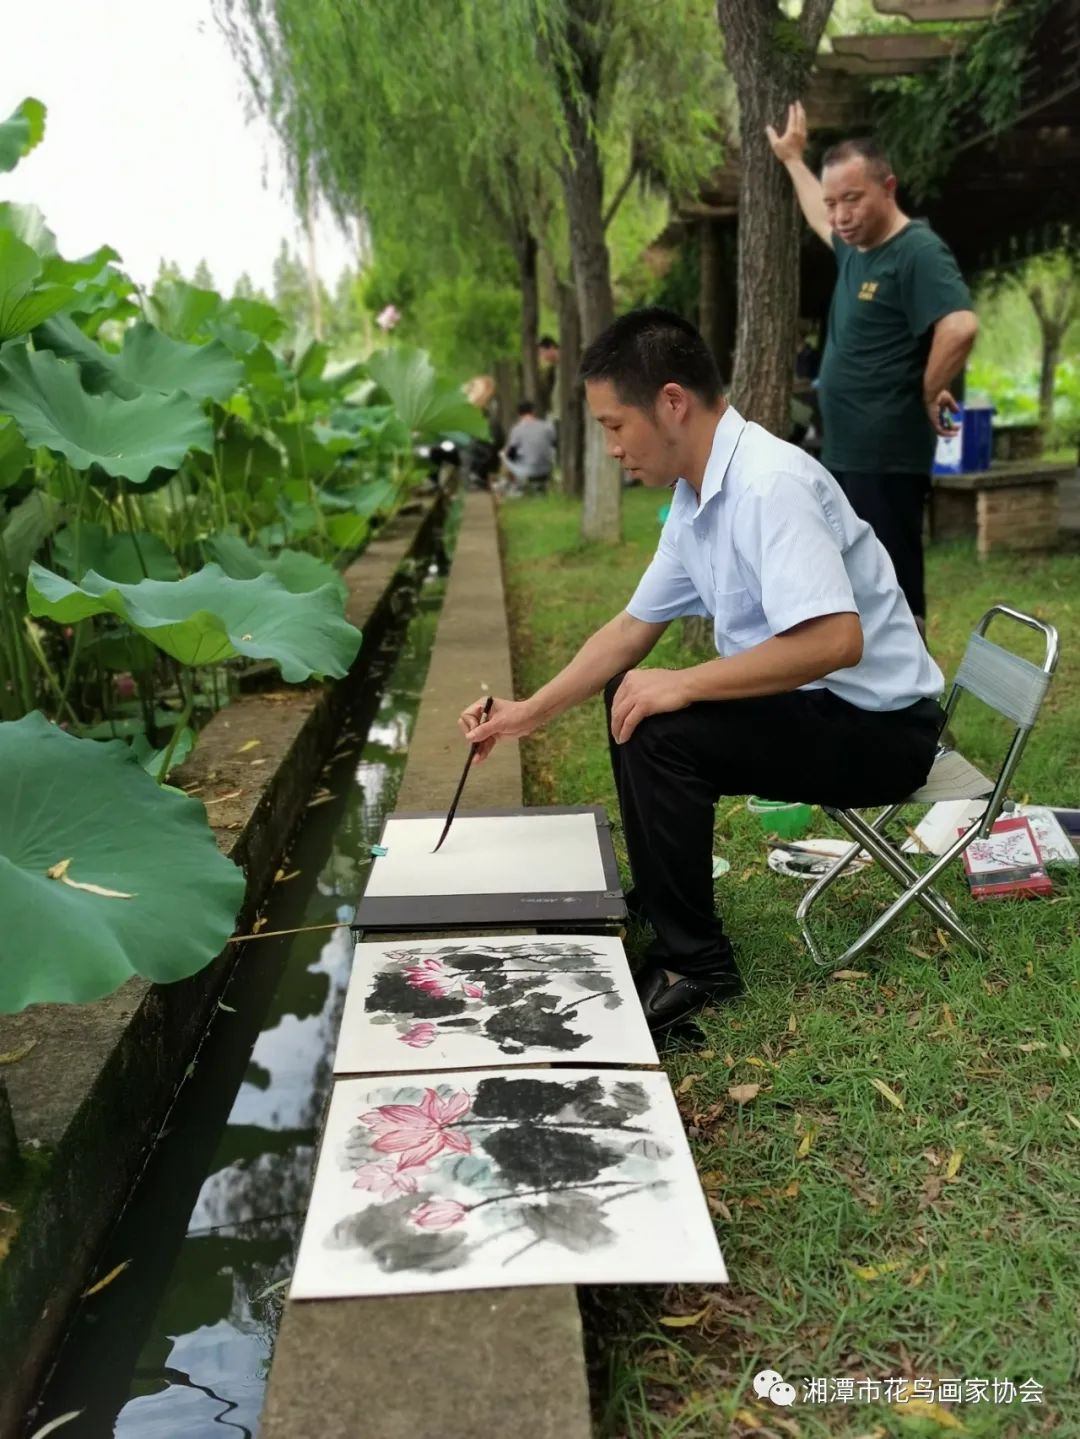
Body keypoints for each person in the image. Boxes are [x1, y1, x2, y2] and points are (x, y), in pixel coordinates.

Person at [458, 308, 945, 1034]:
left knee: (665, 723)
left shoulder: (766, 484)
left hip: (883, 728)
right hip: (823, 706)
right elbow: (629, 630)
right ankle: (663, 906)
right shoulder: (694, 500)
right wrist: (528, 710)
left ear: (673, 402)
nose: (613, 449)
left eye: (615, 426)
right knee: (634, 698)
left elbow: (835, 640)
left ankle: (698, 964)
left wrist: (682, 682)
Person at [767, 104, 978, 627]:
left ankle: (913, 699)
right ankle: (873, 693)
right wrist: (793, 159)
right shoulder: (856, 250)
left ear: (889, 187)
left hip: (885, 454)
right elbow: (816, 216)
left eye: (852, 199)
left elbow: (960, 326)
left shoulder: (916, 252)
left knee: (895, 583)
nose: (839, 215)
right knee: (859, 580)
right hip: (848, 450)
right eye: (834, 202)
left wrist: (931, 390)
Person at [501, 399, 557, 495]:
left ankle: (513, 485)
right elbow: (553, 443)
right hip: (547, 468)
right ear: (533, 411)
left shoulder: (517, 429)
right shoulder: (547, 426)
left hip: (528, 470)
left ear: (518, 414)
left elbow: (511, 453)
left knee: (503, 454)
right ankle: (539, 485)